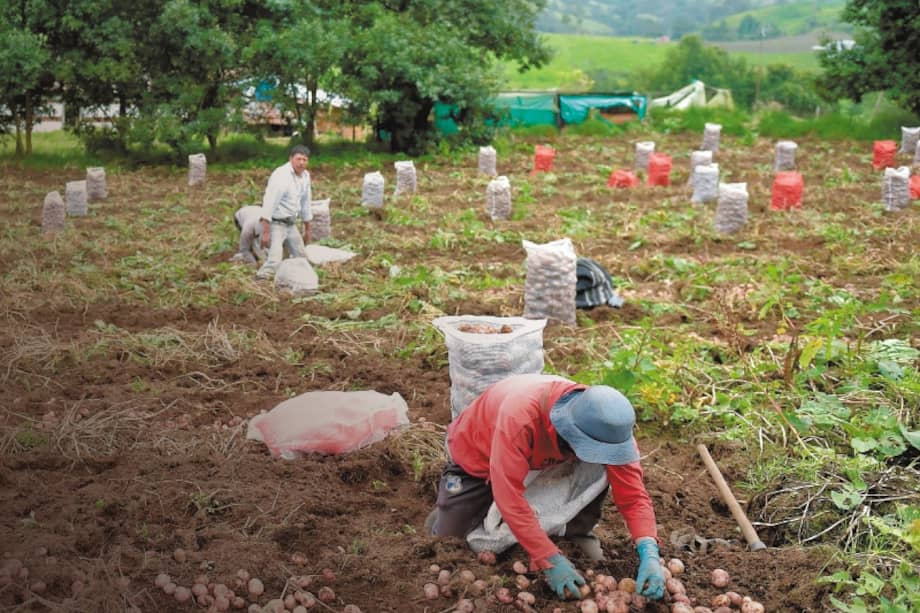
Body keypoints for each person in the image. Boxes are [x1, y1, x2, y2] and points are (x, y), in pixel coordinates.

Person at [426, 373, 665, 601]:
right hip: (480, 457)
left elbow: (633, 497)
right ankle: (451, 509)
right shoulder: (519, 419)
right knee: (451, 535)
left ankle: (575, 532)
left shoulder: (610, 431)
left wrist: (649, 551)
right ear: (569, 432)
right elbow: (509, 496)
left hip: (545, 458)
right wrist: (547, 558)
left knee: (600, 468)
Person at [255, 145, 312, 280]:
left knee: (301, 256)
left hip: (291, 224)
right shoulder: (281, 175)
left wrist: (308, 229)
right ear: (291, 159)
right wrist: (266, 232)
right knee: (275, 260)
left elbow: (306, 202)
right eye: (298, 159)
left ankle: (298, 279)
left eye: (304, 160)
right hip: (276, 223)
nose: (301, 163)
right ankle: (260, 280)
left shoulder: (305, 176)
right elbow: (269, 202)